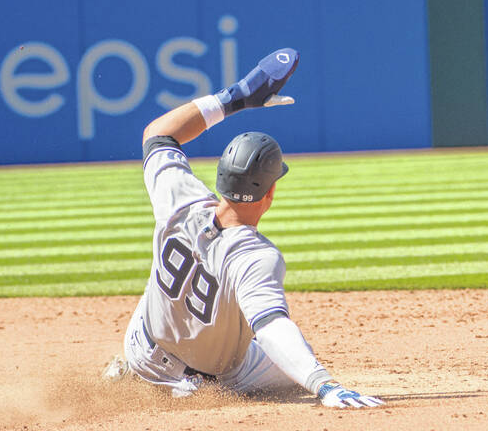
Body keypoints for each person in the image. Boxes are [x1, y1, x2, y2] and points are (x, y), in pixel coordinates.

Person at [102, 48, 384, 408]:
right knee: (289, 361)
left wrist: (237, 96)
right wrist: (324, 386)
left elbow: (157, 134)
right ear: (271, 192)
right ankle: (184, 384)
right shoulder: (255, 256)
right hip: (198, 381)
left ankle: (128, 372)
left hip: (140, 347)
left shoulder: (180, 198)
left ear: (220, 177)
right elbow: (271, 328)